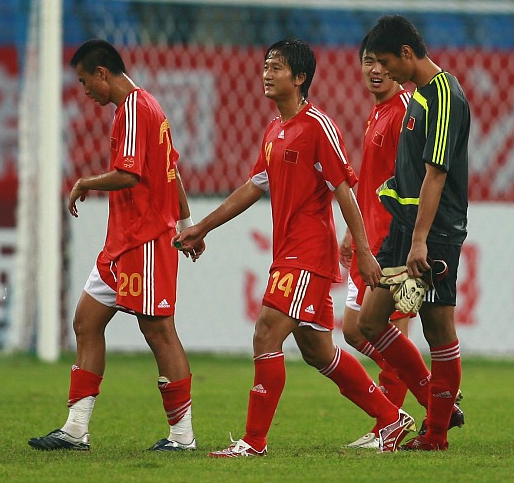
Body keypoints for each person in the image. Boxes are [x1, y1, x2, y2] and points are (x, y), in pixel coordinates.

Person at [174, 39, 414, 457]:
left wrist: (363, 249)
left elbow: (344, 190)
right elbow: (254, 187)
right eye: (266, 66)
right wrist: (202, 228)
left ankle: (253, 441)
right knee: (317, 350)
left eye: (276, 67)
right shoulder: (274, 130)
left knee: (266, 331)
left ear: (300, 77)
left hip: (307, 254)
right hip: (288, 252)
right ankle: (391, 418)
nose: (267, 74)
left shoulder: (317, 125)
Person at [28, 39, 201, 453]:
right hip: (122, 241)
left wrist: (85, 182)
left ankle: (183, 436)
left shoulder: (135, 110)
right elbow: (171, 169)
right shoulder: (145, 106)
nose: (86, 92)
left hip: (144, 238)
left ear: (103, 73)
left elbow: (130, 175)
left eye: (87, 83)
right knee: (87, 321)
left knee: (158, 330)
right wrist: (188, 222)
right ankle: (75, 429)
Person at [357, 15, 471, 452]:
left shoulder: (445, 96)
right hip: (405, 227)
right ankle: (437, 403)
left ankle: (436, 434)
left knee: (437, 328)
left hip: (434, 232)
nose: (382, 70)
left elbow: (436, 174)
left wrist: (421, 240)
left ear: (407, 53)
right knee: (369, 320)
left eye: (386, 61)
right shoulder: (419, 95)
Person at [339, 35, 414, 450]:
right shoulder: (378, 113)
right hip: (371, 235)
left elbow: (413, 179)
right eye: (368, 60)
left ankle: (390, 425)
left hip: (394, 239)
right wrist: (355, 229)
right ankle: (421, 381)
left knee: (387, 328)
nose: (375, 69)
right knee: (354, 330)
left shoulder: (404, 112)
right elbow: (371, 179)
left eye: (382, 61)